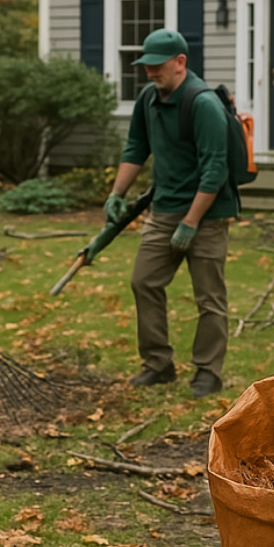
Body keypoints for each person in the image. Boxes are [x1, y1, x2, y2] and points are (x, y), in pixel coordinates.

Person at [104, 28, 238, 398]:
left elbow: (215, 169)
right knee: (144, 281)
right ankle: (158, 364)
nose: (149, 72)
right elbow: (135, 148)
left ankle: (208, 372)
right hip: (164, 210)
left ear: (180, 62)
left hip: (206, 215)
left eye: (157, 65)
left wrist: (191, 222)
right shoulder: (148, 99)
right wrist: (117, 193)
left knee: (208, 296)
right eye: (145, 65)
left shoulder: (203, 104)